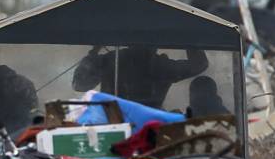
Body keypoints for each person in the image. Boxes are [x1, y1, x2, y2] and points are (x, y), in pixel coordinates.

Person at [73, 44, 209, 110]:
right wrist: (187, 36)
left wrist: (94, 52)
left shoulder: (111, 59)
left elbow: (79, 84)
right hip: (141, 125)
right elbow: (199, 64)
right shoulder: (160, 66)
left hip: (121, 124)